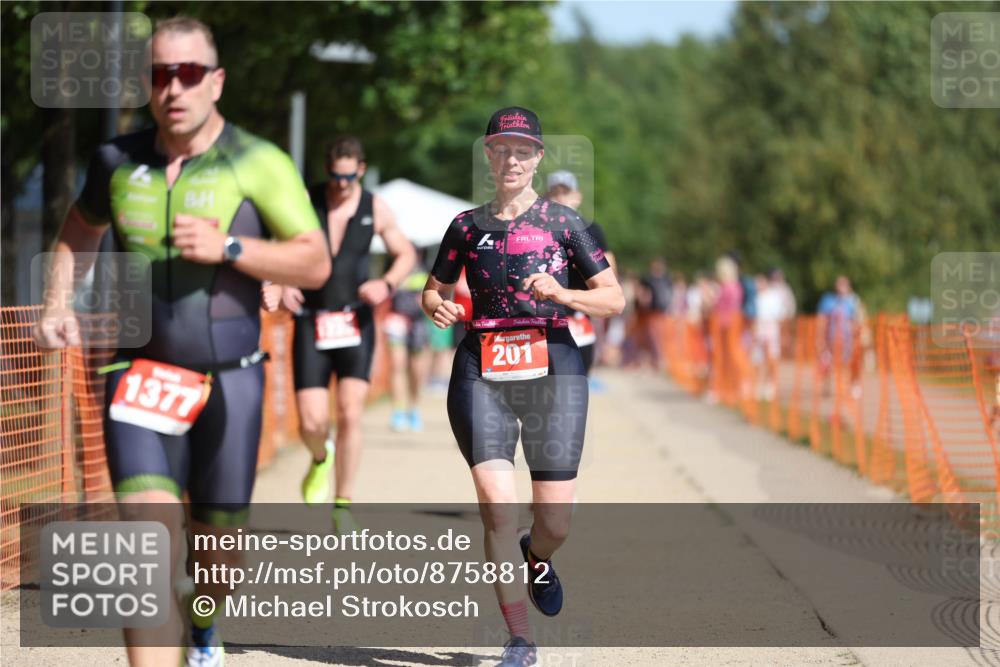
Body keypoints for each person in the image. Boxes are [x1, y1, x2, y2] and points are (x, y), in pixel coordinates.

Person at [33, 17, 331, 667]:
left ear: (215, 81)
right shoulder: (116, 160)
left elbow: (314, 262)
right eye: (159, 74)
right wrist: (58, 300)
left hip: (233, 378)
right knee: (145, 544)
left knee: (217, 564)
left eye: (189, 73)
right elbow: (79, 230)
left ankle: (203, 619)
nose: (173, 88)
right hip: (138, 372)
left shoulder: (258, 161)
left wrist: (232, 248)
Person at [422, 107, 624, 667]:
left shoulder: (566, 224)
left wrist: (563, 294)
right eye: (501, 149)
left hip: (552, 364)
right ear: (488, 155)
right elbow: (433, 289)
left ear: (537, 157)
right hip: (481, 366)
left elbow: (613, 298)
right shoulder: (465, 226)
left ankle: (537, 555)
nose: (510, 159)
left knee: (554, 521)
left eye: (522, 150)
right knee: (496, 505)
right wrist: (437, 306)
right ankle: (519, 639)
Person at [281, 136, 416, 525]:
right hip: (311, 319)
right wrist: (282, 281)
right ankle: (320, 457)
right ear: (327, 170)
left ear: (360, 170)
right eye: (335, 176)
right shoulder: (306, 201)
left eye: (349, 177)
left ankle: (343, 504)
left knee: (350, 413)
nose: (341, 185)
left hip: (356, 321)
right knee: (311, 422)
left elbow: (405, 253)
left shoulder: (376, 207)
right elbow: (278, 246)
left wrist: (386, 283)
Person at [543, 170, 617, 377]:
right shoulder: (536, 230)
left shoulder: (591, 229)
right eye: (554, 193)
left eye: (565, 192)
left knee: (577, 381)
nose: (559, 198)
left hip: (578, 317)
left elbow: (610, 277)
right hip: (544, 320)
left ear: (577, 197)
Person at [386, 257, 433, 432]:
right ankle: (398, 411)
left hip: (418, 323)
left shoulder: (426, 266)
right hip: (396, 319)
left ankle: (413, 408)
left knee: (416, 370)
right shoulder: (391, 264)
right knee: (397, 366)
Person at [817, 275, 863, 398]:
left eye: (844, 285)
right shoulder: (829, 301)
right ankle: (827, 388)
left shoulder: (853, 302)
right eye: (839, 284)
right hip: (831, 340)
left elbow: (857, 321)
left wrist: (857, 336)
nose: (841, 287)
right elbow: (822, 320)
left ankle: (853, 384)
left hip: (847, 340)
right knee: (826, 363)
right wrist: (820, 338)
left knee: (851, 363)